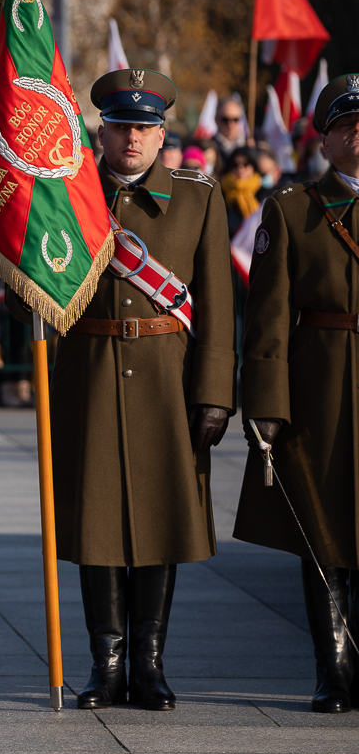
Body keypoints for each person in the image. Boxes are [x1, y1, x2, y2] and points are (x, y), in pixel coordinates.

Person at [12, 69, 233, 712]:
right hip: (90, 372)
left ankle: (150, 661)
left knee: (161, 519)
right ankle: (106, 663)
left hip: (168, 376)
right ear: (99, 131)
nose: (132, 139)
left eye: (144, 128)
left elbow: (219, 304)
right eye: (120, 127)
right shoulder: (67, 192)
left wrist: (214, 391)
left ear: (163, 135)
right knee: (97, 522)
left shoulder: (197, 197)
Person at [236, 73, 359, 713]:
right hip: (322, 392)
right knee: (323, 535)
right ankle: (334, 670)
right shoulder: (293, 211)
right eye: (346, 122)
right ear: (324, 138)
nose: (358, 131)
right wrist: (265, 405)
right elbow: (268, 320)